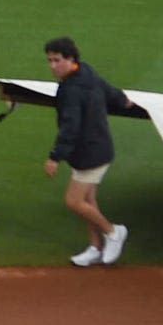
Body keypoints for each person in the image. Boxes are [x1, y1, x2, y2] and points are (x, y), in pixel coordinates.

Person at [42, 36, 130, 268]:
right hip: (91, 151)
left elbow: (70, 126)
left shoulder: (72, 89)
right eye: (49, 60)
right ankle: (94, 247)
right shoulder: (86, 72)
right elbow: (108, 90)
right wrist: (123, 100)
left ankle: (113, 232)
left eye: (57, 60)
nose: (52, 66)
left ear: (71, 60)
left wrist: (54, 157)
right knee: (88, 201)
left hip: (92, 155)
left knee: (73, 201)